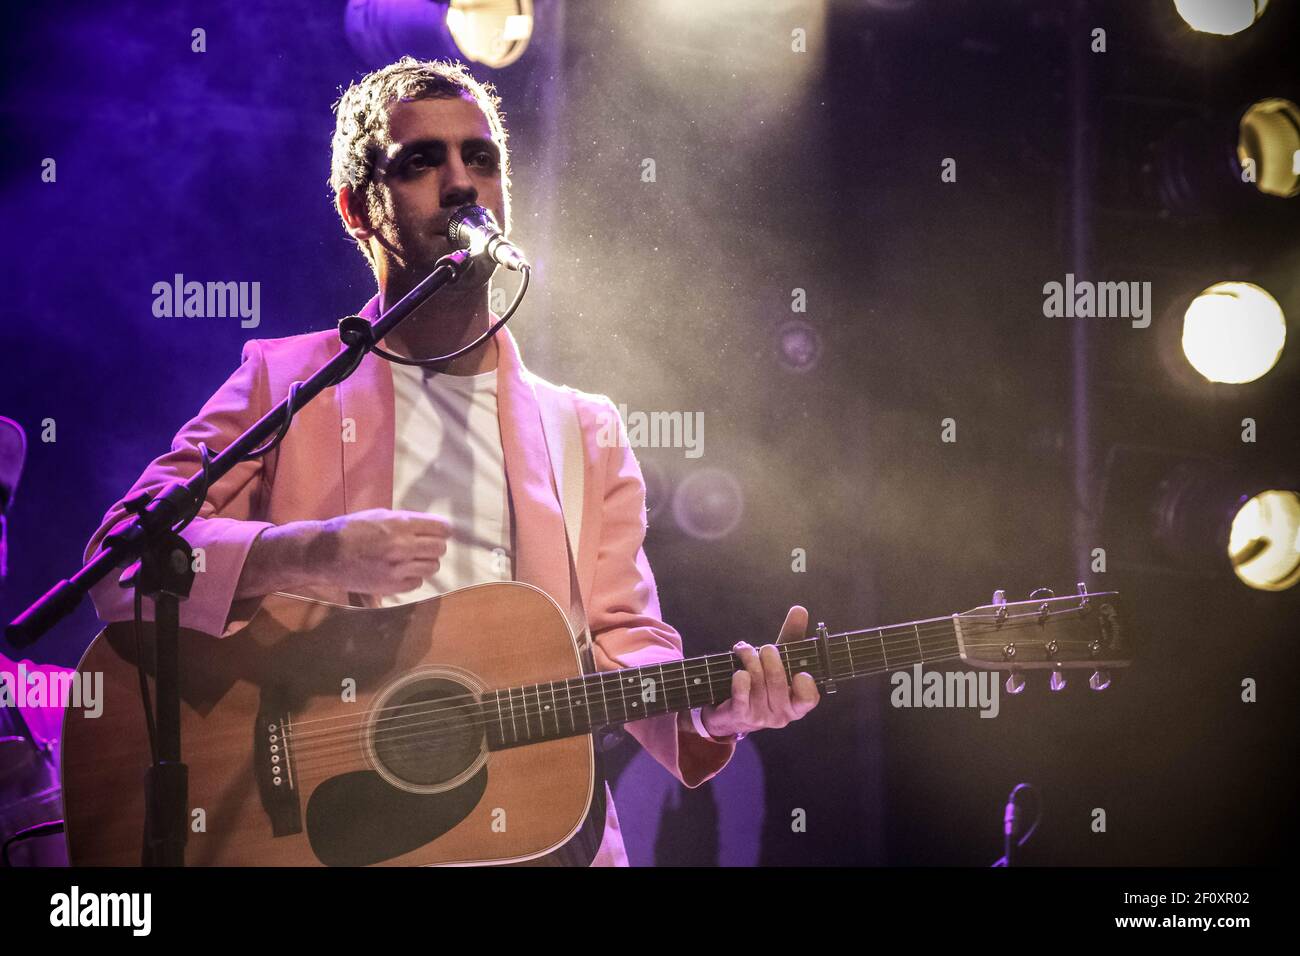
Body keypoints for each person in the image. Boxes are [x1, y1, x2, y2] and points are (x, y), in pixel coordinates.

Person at [85, 57, 819, 866]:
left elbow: (623, 643)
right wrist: (303, 555)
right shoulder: (283, 380)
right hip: (323, 830)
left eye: (482, 158)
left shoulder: (585, 428)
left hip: (533, 835)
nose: (462, 181)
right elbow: (118, 564)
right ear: (358, 207)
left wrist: (710, 714)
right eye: (422, 161)